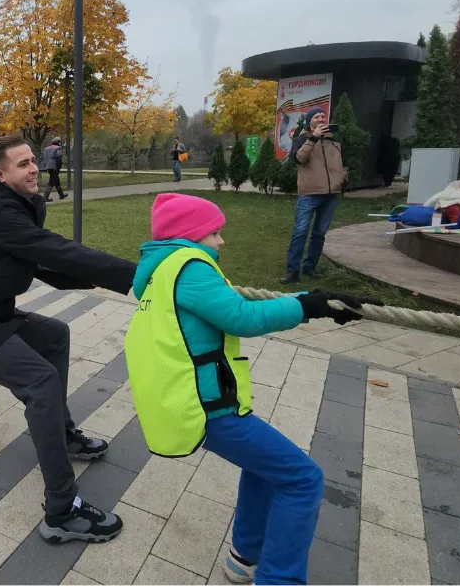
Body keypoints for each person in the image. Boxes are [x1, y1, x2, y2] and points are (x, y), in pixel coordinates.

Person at [124, 193, 379, 586]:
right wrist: (308, 307)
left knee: (265, 468)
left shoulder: (162, 268)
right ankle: (279, 579)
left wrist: (309, 300)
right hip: (208, 406)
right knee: (303, 478)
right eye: (215, 234)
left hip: (201, 399)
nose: (221, 242)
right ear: (191, 236)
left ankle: (244, 558)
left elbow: (228, 307)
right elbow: (241, 317)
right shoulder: (190, 266)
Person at [0, 134, 137, 544]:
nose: (33, 167)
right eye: (22, 164)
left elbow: (40, 260)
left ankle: (61, 433)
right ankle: (61, 511)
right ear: (0, 174)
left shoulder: (14, 209)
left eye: (32, 161)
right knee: (40, 382)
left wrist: (103, 281)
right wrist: (136, 274)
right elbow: (52, 249)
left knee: (55, 334)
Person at [280, 107, 347, 284]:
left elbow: (343, 163)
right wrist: (314, 137)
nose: (321, 118)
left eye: (323, 116)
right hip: (309, 193)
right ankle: (292, 271)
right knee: (300, 231)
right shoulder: (301, 139)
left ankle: (310, 267)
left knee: (319, 233)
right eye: (316, 116)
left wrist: (342, 178)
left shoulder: (335, 140)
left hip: (331, 194)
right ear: (309, 121)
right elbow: (299, 159)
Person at [40, 136, 68, 202]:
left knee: (56, 180)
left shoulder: (47, 148)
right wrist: (59, 166)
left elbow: (44, 157)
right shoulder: (58, 148)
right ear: (58, 142)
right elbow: (58, 157)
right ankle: (45, 197)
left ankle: (61, 195)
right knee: (52, 181)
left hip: (48, 166)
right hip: (55, 166)